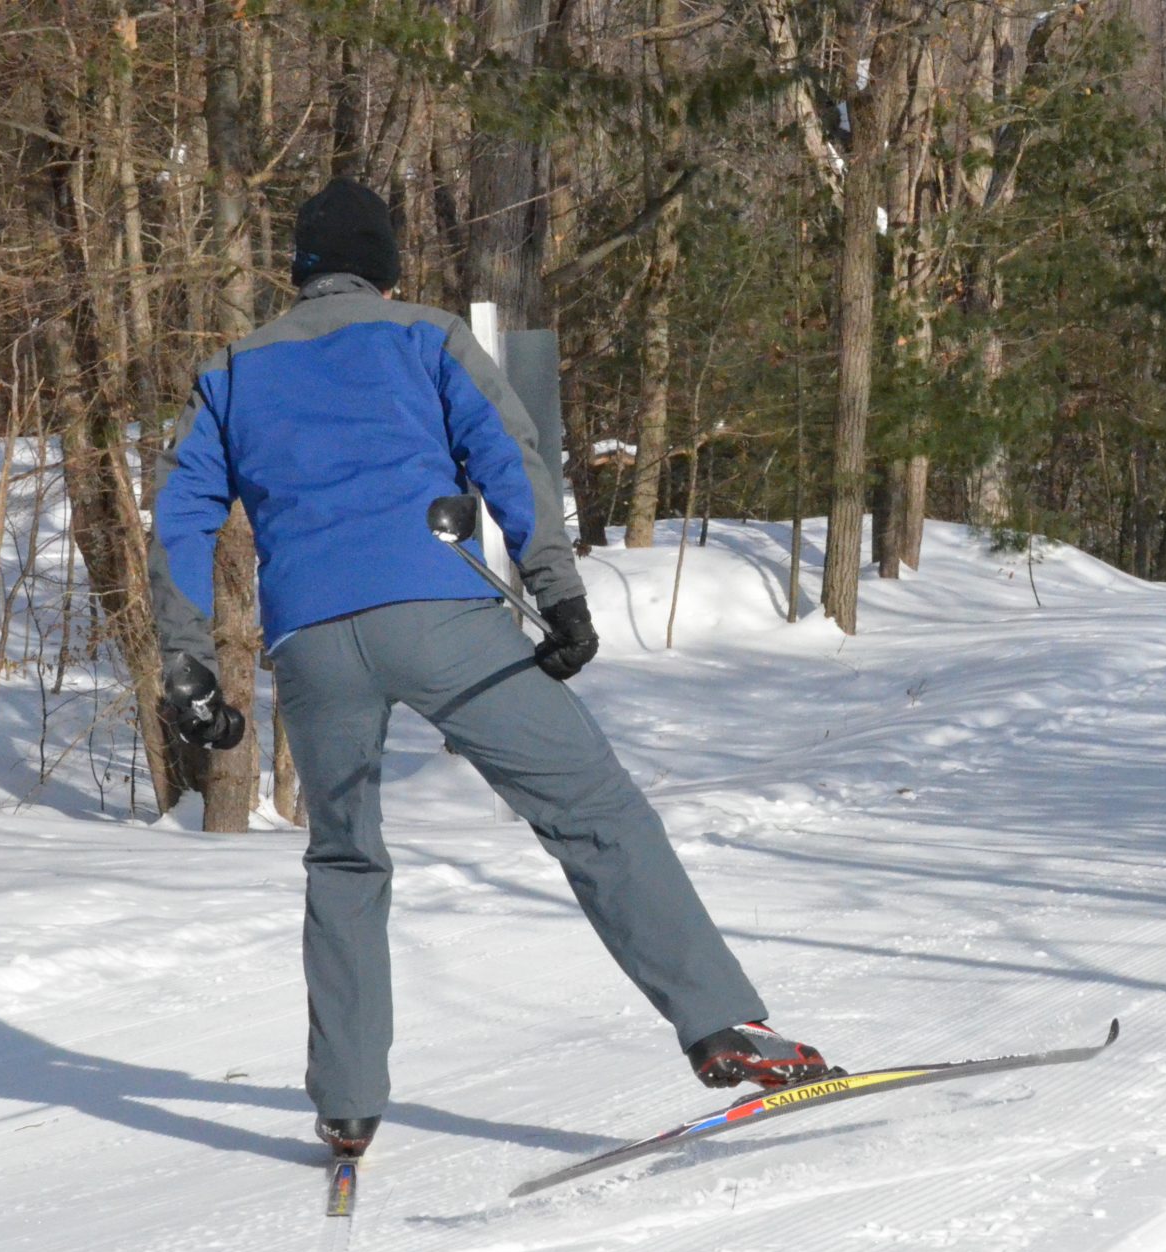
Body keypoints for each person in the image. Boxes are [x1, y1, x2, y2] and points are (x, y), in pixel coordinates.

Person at [140, 178, 832, 1159]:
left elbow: (179, 515)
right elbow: (512, 455)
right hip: (441, 616)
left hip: (313, 649)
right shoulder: (424, 337)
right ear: (384, 266)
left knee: (344, 859)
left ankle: (345, 1100)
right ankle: (719, 1022)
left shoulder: (232, 374)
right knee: (594, 811)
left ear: (298, 272)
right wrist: (558, 591)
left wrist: (186, 655)